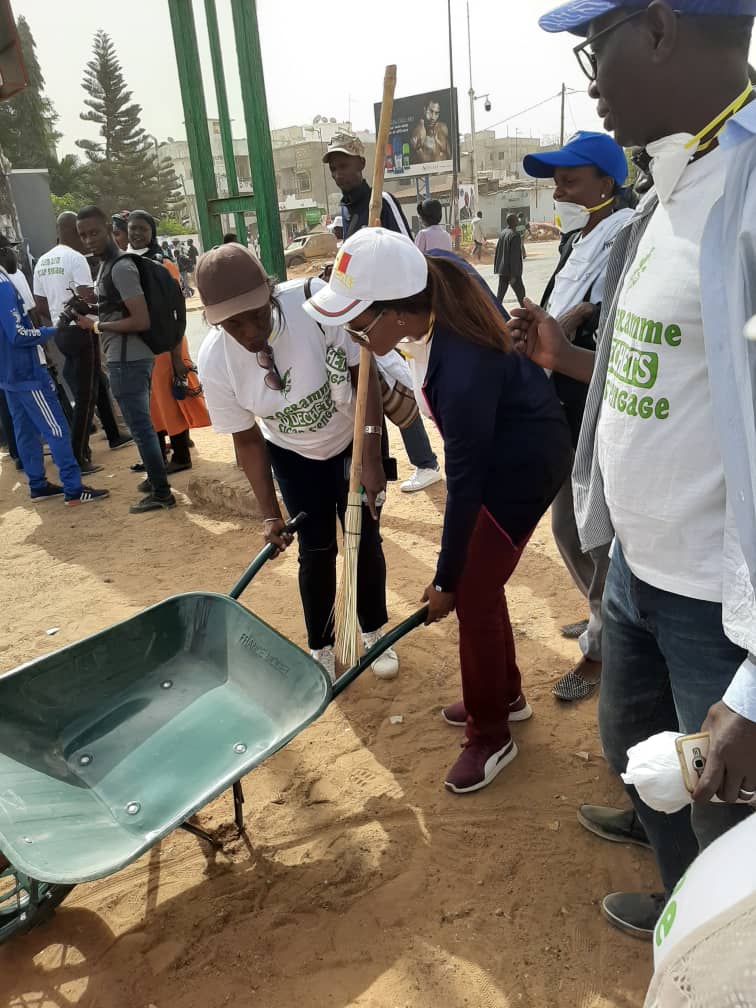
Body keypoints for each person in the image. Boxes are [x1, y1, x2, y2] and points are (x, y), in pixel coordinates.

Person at [516, 0, 756, 939]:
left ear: (658, 27)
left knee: (724, 811)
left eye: (593, 46)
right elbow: (668, 372)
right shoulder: (673, 186)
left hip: (715, 607)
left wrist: (750, 692)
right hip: (638, 575)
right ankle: (675, 902)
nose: (589, 79)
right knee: (635, 749)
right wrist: (563, 360)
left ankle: (710, 946)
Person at [305, 228, 572, 792]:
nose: (352, 333)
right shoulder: (431, 291)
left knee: (474, 589)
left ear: (396, 313)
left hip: (520, 468)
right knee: (482, 583)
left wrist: (445, 578)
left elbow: (467, 483)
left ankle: (490, 735)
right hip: (506, 450)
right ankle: (506, 694)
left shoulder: (465, 367)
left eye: (358, 320)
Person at [195, 242, 399, 684]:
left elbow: (365, 377)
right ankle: (321, 645)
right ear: (214, 321)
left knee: (363, 538)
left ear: (271, 294)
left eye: (258, 314)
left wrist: (370, 456)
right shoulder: (215, 362)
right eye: (234, 323)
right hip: (293, 455)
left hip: (351, 441)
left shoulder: (315, 306)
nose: (250, 331)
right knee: (316, 549)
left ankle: (373, 629)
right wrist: (270, 513)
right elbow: (248, 441)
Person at [523, 130, 634, 701]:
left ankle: (603, 648)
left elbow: (611, 340)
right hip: (562, 406)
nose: (559, 190)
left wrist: (564, 331)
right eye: (556, 180)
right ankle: (601, 621)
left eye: (570, 179)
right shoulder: (579, 239)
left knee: (587, 533)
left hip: (592, 408)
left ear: (605, 183)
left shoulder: (623, 239)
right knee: (571, 528)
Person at [324, 131, 443, 494]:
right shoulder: (345, 209)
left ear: (361, 164)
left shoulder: (382, 201)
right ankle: (399, 462)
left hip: (388, 314)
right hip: (361, 314)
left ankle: (426, 462)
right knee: (377, 391)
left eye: (344, 165)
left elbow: (405, 251)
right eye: (334, 167)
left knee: (402, 386)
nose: (339, 172)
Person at [75, 205, 175, 513]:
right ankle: (156, 481)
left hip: (128, 359)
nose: (89, 240)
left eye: (94, 232)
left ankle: (161, 492)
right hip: (122, 356)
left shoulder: (120, 266)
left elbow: (141, 320)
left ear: (108, 228)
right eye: (83, 235)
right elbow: (119, 306)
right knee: (142, 424)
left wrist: (96, 325)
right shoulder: (108, 265)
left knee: (140, 427)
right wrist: (97, 305)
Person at [0, 259, 109, 506]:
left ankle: (37, 485)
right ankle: (73, 488)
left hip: (8, 373)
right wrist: (54, 330)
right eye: (11, 250)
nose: (14, 256)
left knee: (25, 430)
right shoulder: (4, 285)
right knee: (56, 428)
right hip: (27, 372)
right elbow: (18, 334)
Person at [34, 212, 133, 471]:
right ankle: (79, 455)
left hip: (61, 330)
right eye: (81, 233)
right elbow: (88, 299)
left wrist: (60, 317)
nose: (85, 239)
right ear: (71, 231)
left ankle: (114, 435)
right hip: (81, 330)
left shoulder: (43, 260)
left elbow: (40, 304)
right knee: (85, 394)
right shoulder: (75, 258)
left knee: (95, 380)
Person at [127, 210, 210, 477]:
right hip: (146, 345)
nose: (137, 233)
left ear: (152, 233)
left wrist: (176, 352)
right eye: (133, 229)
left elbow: (178, 309)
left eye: (143, 228)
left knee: (168, 398)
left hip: (167, 341)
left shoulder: (162, 264)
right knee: (154, 400)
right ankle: (160, 451)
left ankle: (181, 455)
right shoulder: (128, 262)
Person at [493, 214, 526, 306]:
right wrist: (514, 276)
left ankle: (495, 313)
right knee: (522, 296)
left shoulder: (503, 233)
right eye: (516, 219)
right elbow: (514, 257)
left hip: (502, 270)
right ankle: (527, 316)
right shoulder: (515, 236)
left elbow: (498, 252)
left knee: (499, 297)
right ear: (514, 222)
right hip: (512, 272)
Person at [409, 97, 451, 165]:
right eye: (431, 111)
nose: (433, 117)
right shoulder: (418, 133)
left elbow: (451, 157)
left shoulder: (443, 128)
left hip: (446, 174)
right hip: (428, 175)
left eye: (436, 113)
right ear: (425, 110)